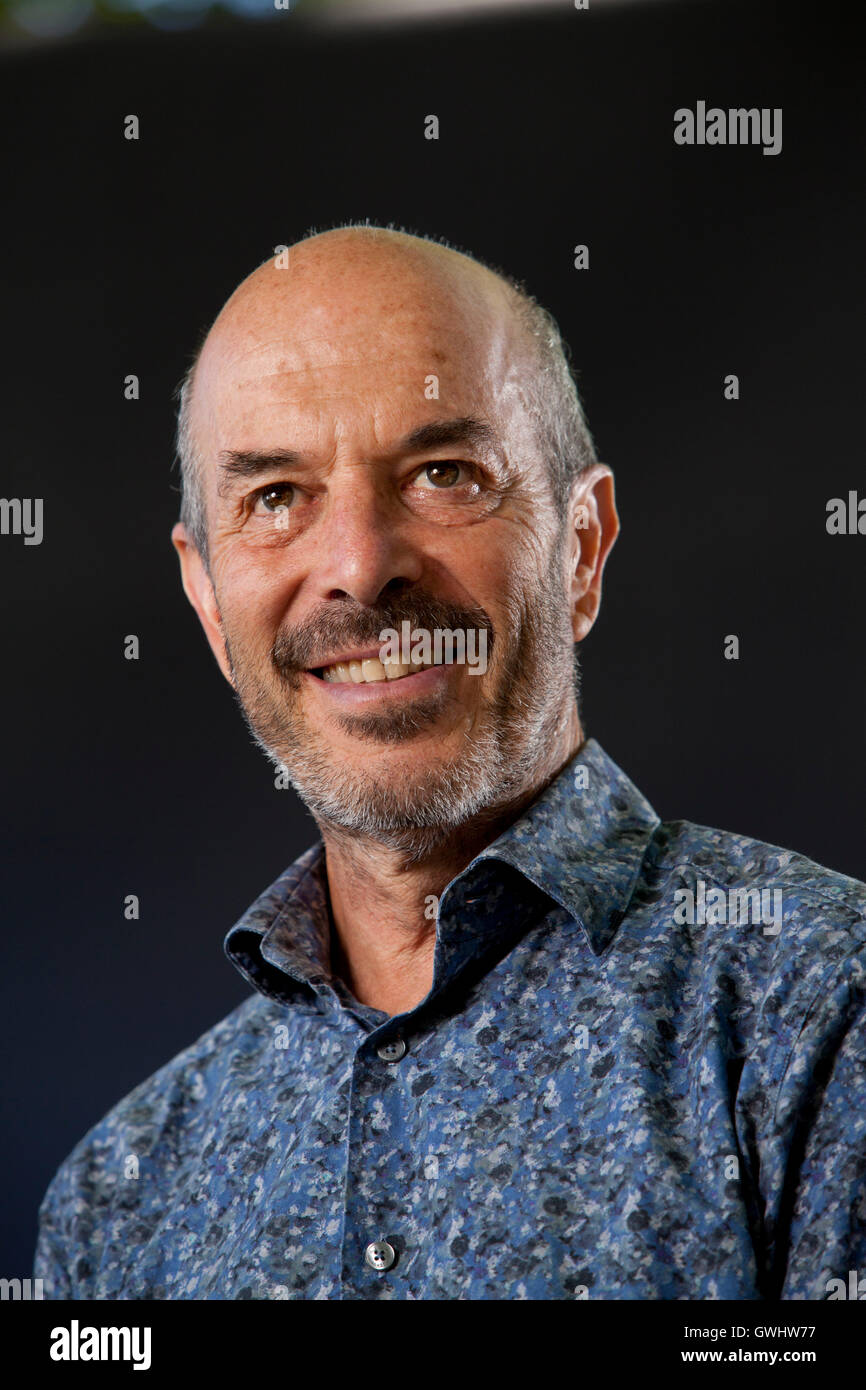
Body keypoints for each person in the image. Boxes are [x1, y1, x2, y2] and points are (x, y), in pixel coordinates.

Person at [34, 225, 866, 1300]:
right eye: (275, 496)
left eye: (441, 472)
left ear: (580, 546)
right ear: (204, 598)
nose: (359, 568)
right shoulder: (117, 1202)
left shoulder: (824, 1021)